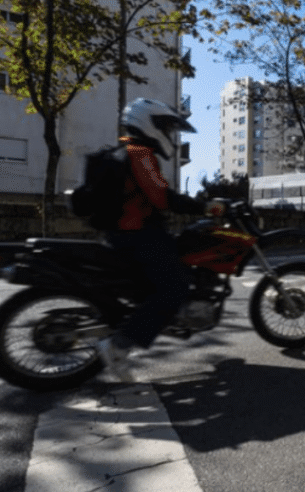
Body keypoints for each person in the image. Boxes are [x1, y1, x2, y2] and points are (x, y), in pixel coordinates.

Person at [95, 98, 225, 382]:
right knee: (174, 288)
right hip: (139, 234)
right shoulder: (140, 153)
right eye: (165, 127)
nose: (168, 134)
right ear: (148, 123)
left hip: (123, 234)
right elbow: (161, 197)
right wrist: (203, 207)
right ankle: (118, 347)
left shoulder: (124, 151)